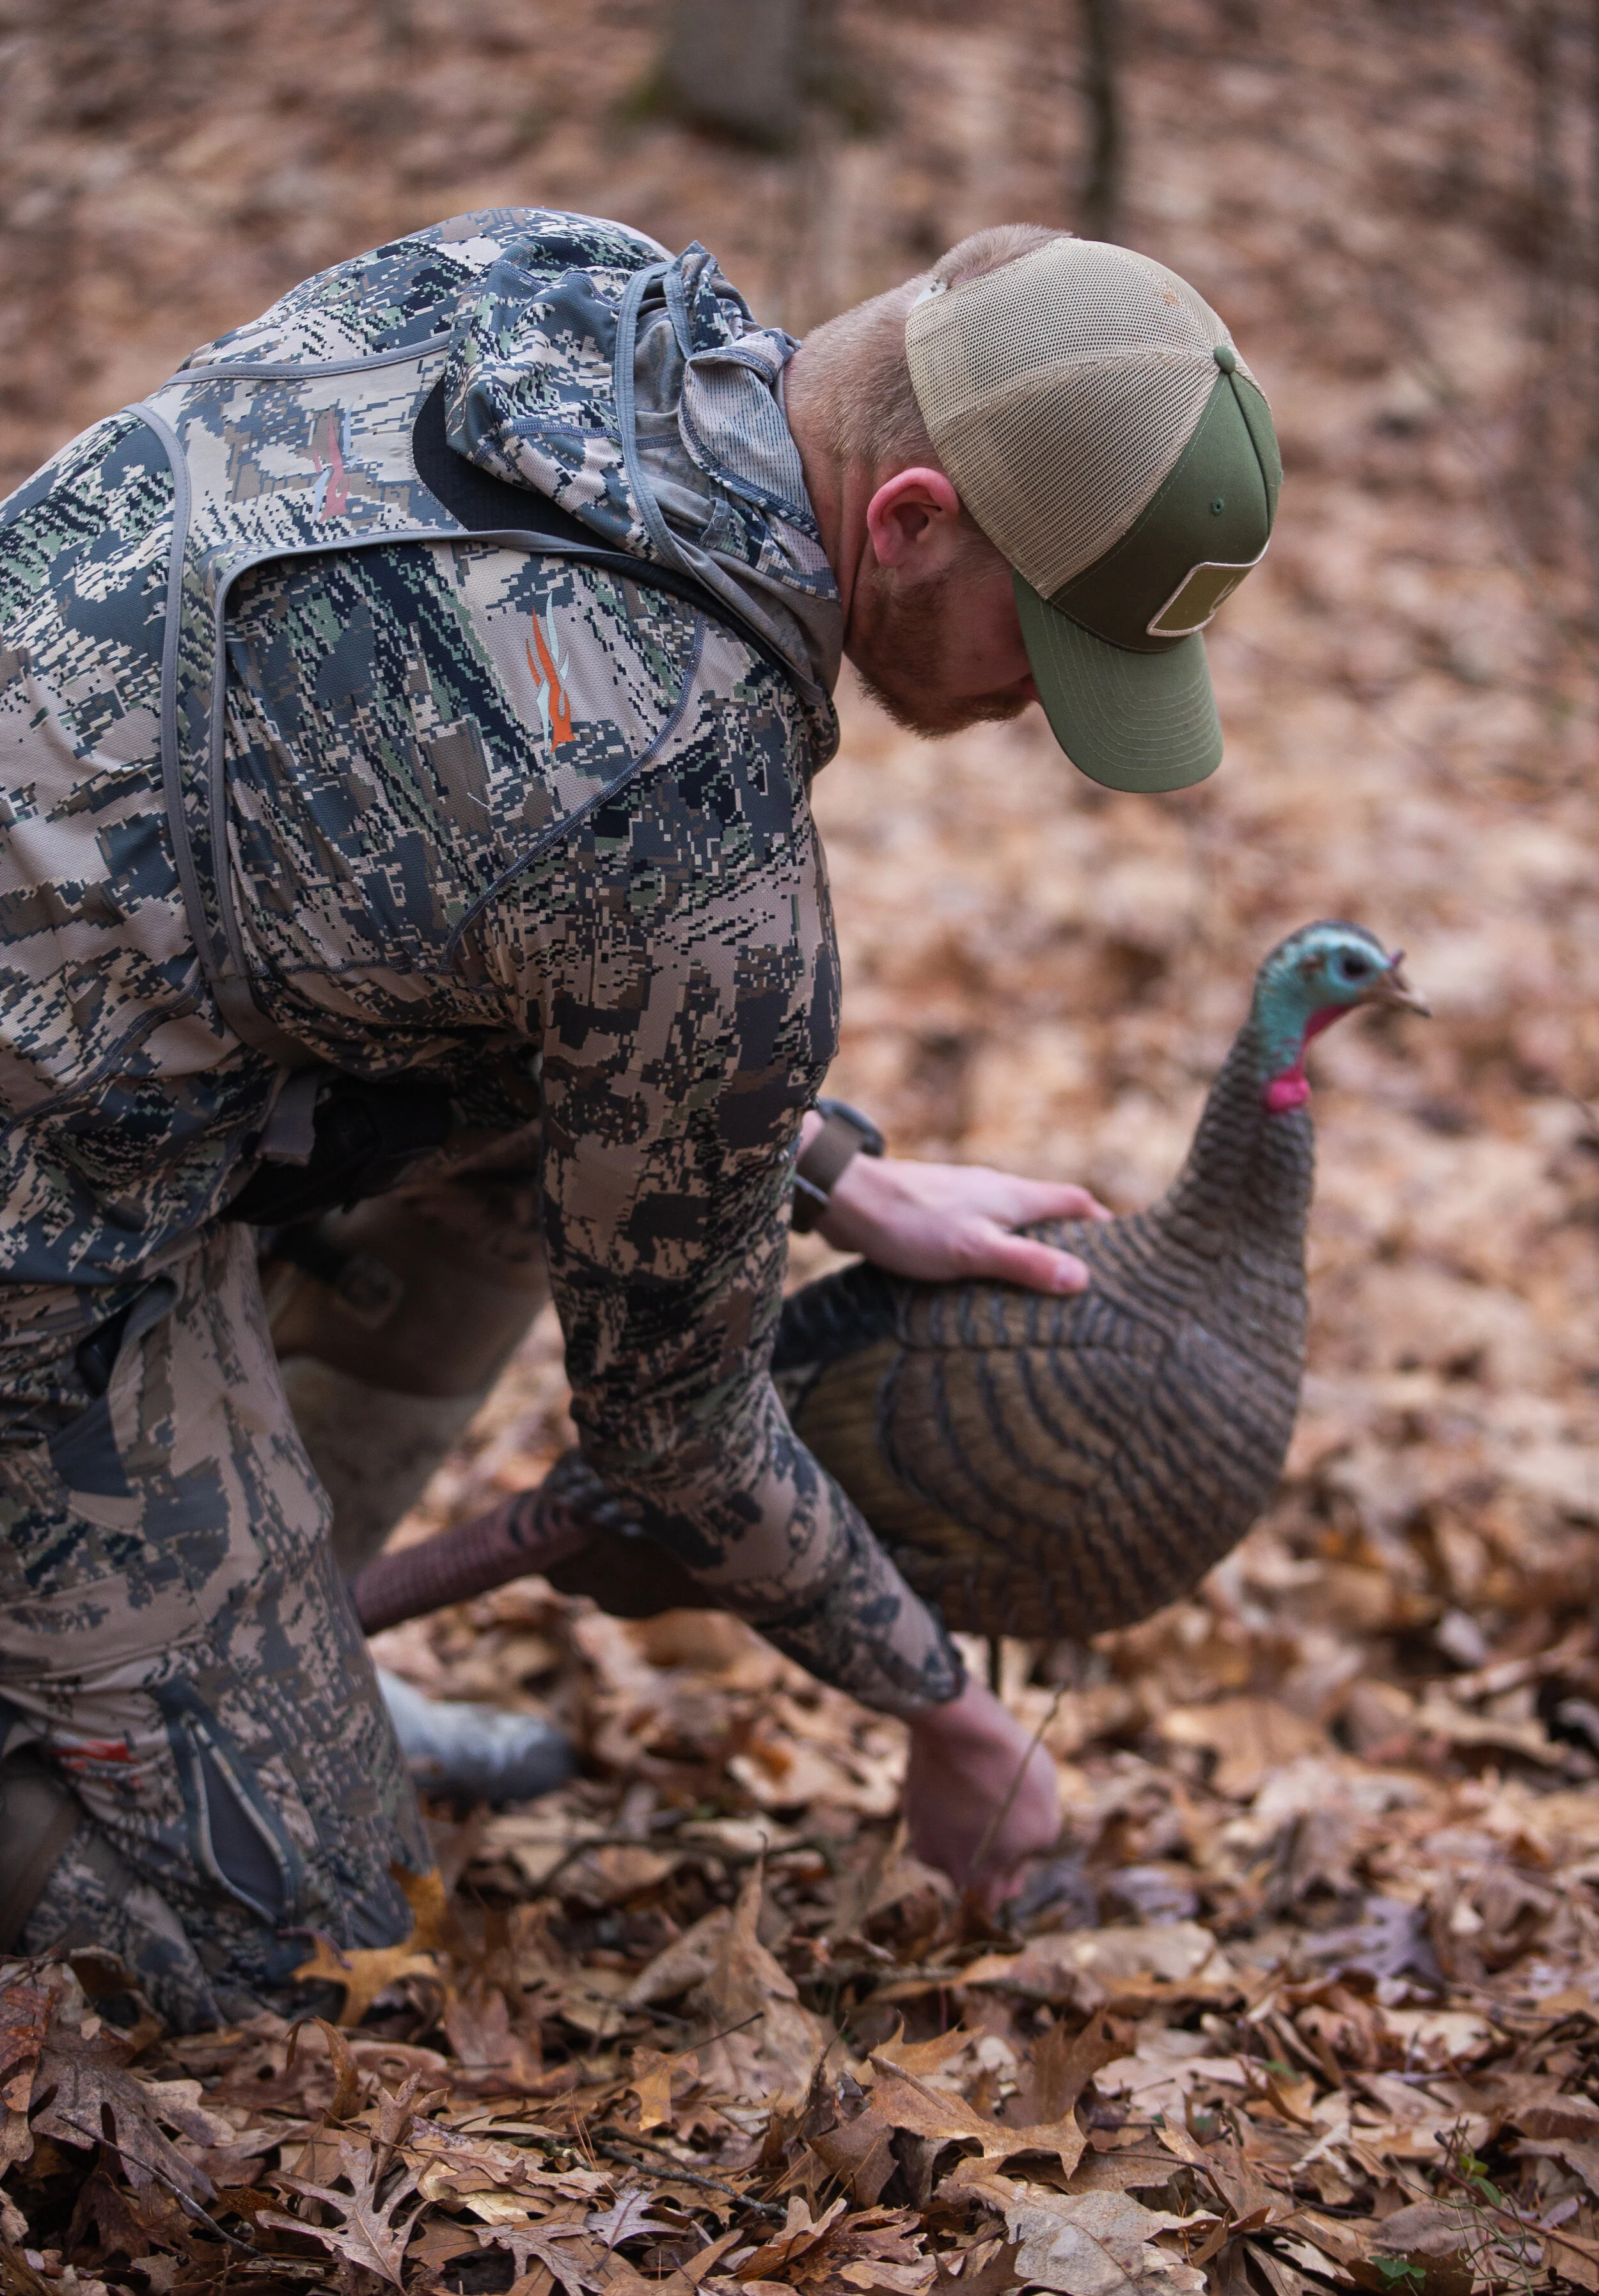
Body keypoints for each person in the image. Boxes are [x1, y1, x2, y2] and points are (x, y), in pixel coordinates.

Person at [0, 209, 1279, 2028]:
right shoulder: (691, 840)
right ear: (908, 521)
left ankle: (277, 1626)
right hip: (41, 1235)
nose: (1034, 716)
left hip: (106, 1019)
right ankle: (125, 1678)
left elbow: (497, 896)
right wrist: (950, 1708)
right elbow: (676, 1429)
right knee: (307, 1953)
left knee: (573, 1140)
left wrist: (829, 1167)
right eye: (1044, 649)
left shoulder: (559, 285)